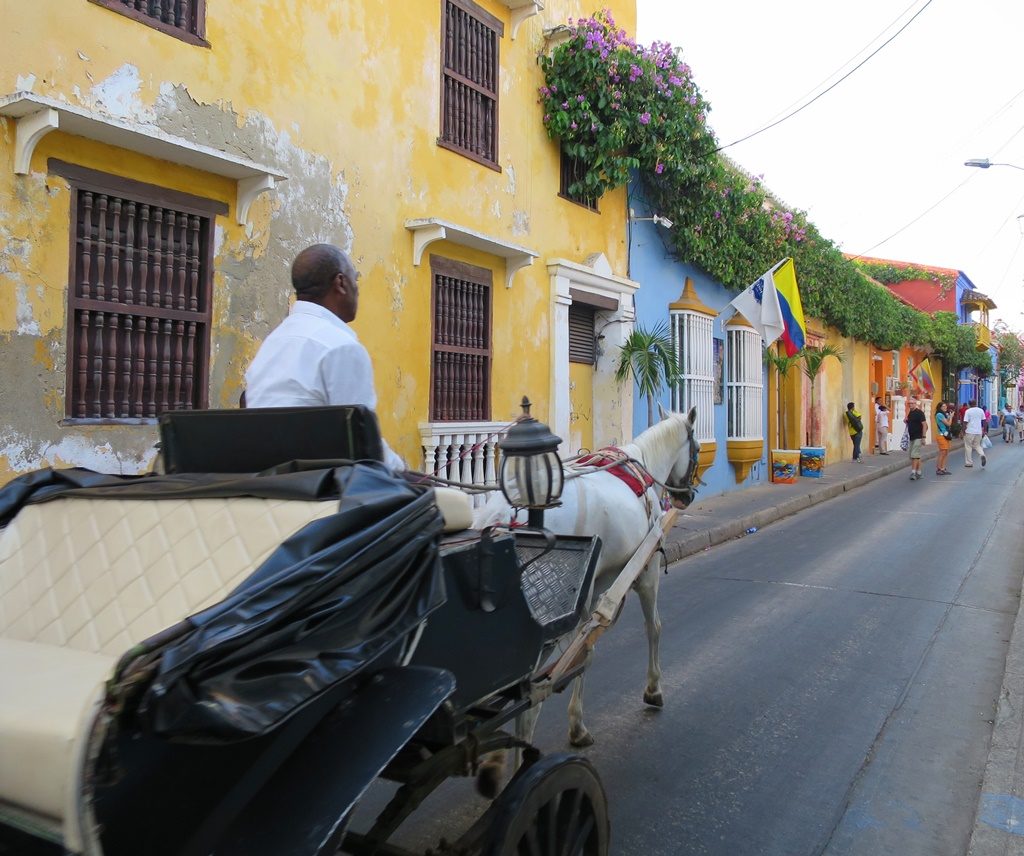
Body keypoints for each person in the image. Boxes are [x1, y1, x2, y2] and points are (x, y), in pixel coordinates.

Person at [244, 243, 405, 471]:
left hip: (270, 478)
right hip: (320, 483)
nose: (358, 289)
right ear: (340, 283)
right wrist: (403, 469)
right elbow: (364, 444)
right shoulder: (340, 347)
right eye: (355, 279)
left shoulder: (273, 342)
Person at [962, 399, 986, 468]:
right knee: (977, 445)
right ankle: (982, 454)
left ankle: (969, 462)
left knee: (968, 446)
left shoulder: (968, 411)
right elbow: (984, 421)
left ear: (969, 404)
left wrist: (963, 431)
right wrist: (984, 430)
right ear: (976, 403)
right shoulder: (980, 410)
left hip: (969, 431)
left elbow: (965, 422)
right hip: (978, 431)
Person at [906, 398, 927, 480]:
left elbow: (924, 425)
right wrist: (906, 421)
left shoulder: (920, 413)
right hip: (911, 437)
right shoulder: (910, 413)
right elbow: (910, 422)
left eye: (912, 403)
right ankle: (919, 472)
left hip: (918, 436)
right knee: (914, 456)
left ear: (915, 404)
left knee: (914, 455)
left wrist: (924, 437)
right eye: (909, 403)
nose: (910, 405)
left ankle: (913, 472)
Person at [934, 402, 952, 475]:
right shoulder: (939, 414)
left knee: (946, 452)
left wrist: (949, 416)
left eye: (945, 406)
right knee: (943, 452)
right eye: (943, 406)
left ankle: (943, 468)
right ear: (940, 407)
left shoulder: (943, 414)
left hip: (945, 435)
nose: (945, 408)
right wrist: (951, 417)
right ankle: (939, 468)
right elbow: (948, 423)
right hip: (941, 435)